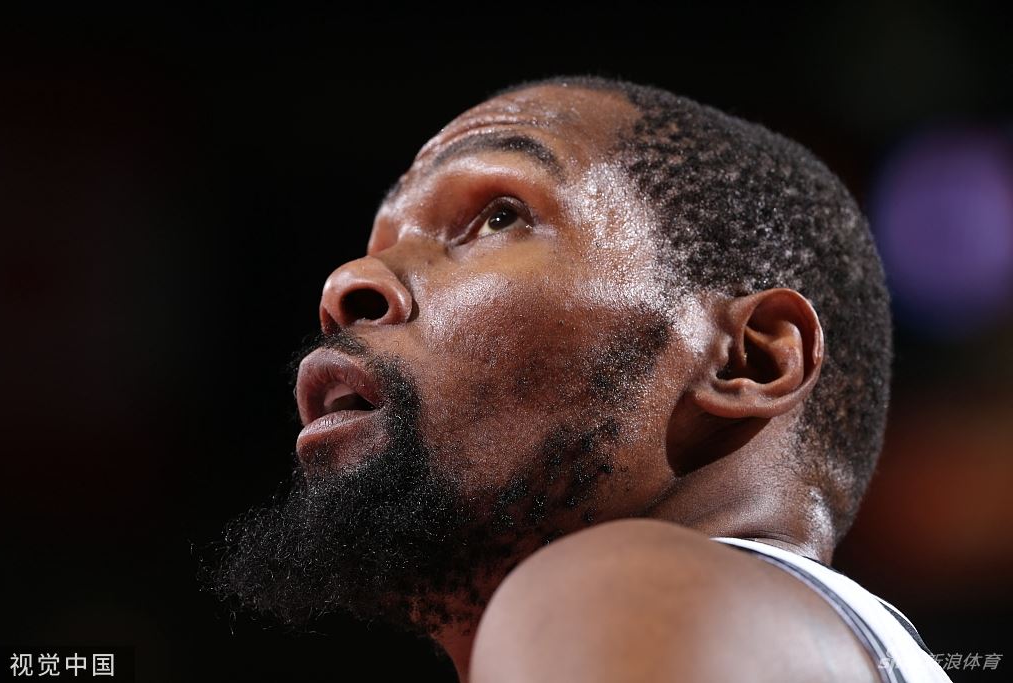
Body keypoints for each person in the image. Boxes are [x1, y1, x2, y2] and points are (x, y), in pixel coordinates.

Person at [205, 75, 952, 682]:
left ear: (747, 359)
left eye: (498, 217)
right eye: (376, 244)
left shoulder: (621, 588)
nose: (348, 282)